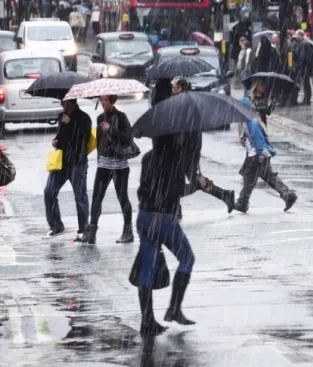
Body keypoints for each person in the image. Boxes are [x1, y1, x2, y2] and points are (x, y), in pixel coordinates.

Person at [135, 133, 199, 337]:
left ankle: (147, 320)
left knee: (147, 269)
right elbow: (176, 191)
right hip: (163, 218)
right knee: (187, 258)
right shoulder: (174, 159)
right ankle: (174, 308)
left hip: (145, 215)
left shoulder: (148, 157)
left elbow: (144, 189)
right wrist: (197, 185)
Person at [171, 77, 236, 212]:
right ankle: (225, 195)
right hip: (185, 149)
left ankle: (174, 205)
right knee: (188, 179)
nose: (173, 90)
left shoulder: (187, 104)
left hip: (187, 150)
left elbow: (189, 130)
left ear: (182, 89)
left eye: (176, 88)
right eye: (173, 87)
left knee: (186, 181)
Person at [235, 82, 298, 213]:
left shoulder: (253, 120)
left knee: (250, 175)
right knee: (267, 175)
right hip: (257, 149)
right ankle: (287, 195)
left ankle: (243, 202)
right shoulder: (249, 115)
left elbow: (258, 139)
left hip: (257, 150)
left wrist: (261, 155)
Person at [81, 95, 134, 245]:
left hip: (120, 165)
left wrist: (111, 130)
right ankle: (92, 232)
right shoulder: (100, 118)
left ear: (112, 100)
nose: (103, 102)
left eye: (106, 100)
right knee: (97, 197)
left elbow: (128, 138)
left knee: (122, 197)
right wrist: (99, 159)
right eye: (101, 100)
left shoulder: (121, 117)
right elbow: (99, 142)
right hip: (104, 164)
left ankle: (128, 231)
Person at [44, 99, 92, 239]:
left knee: (80, 196)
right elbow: (61, 137)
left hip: (78, 162)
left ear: (71, 101)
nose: (61, 103)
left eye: (63, 101)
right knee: (49, 191)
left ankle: (84, 229)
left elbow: (83, 139)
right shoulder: (61, 116)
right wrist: (56, 141)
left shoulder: (84, 118)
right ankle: (56, 225)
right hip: (62, 162)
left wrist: (71, 123)